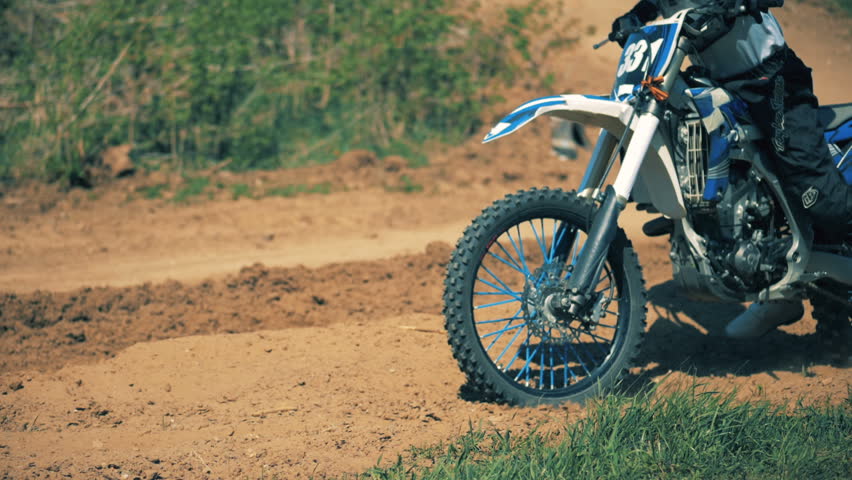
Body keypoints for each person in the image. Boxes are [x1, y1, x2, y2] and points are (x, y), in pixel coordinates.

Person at [610, 0, 852, 341]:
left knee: (818, 196)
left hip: (769, 79)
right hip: (714, 80)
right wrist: (636, 16)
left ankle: (787, 290)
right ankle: (777, 288)